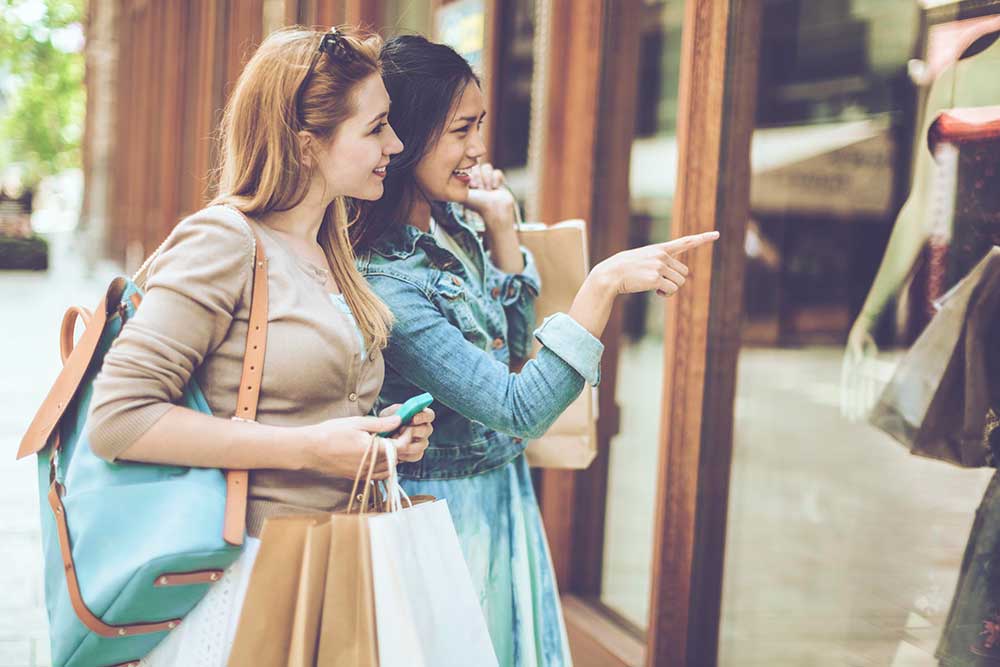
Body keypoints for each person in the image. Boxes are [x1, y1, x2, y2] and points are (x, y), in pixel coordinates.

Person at [353, 34, 717, 666]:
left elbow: (512, 348)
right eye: (461, 130)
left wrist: (501, 230)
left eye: (480, 127)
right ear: (406, 139)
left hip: (499, 491)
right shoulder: (389, 284)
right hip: (442, 512)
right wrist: (602, 285)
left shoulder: (453, 226)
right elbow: (519, 405)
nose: (477, 149)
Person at [87, 26, 433, 666]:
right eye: (376, 127)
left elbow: (307, 403)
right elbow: (118, 419)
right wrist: (310, 450)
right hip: (246, 578)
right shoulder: (223, 240)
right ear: (307, 145)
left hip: (326, 568)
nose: (397, 144)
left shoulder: (329, 247)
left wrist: (380, 435)